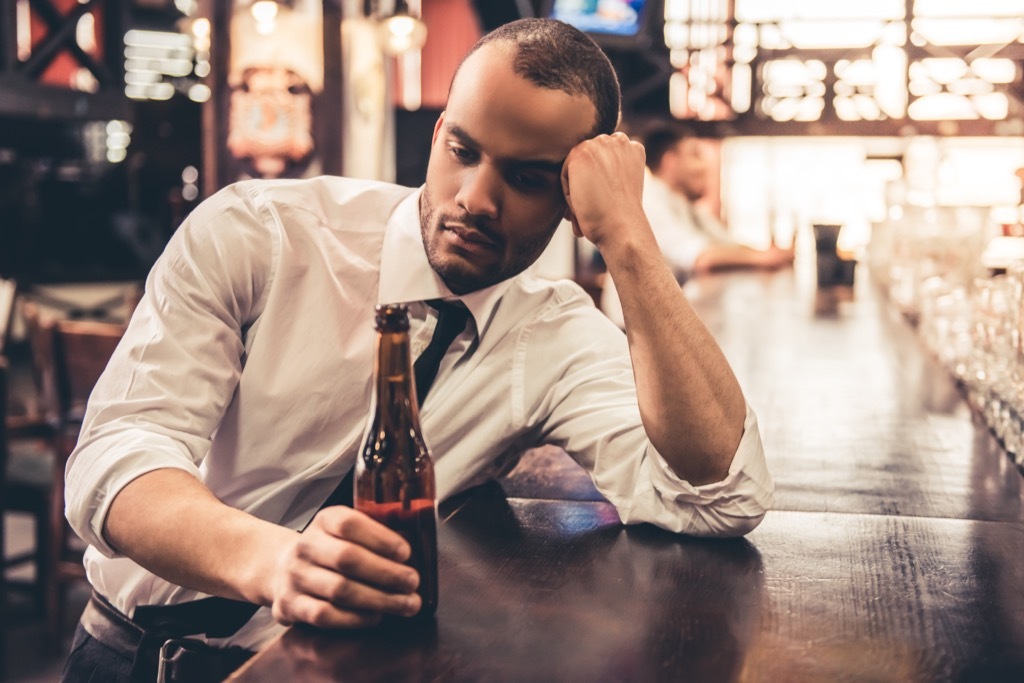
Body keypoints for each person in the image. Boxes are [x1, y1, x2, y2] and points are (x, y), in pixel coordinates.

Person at [62, 18, 773, 682]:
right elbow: (115, 455)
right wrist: (276, 560)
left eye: (526, 178)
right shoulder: (263, 233)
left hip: (329, 666)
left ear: (570, 194)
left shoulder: (552, 334)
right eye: (462, 151)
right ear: (438, 134)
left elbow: (717, 495)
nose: (476, 199)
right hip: (128, 652)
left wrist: (628, 235)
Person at [600, 122, 794, 326]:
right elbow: (703, 257)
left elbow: (727, 244)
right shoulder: (649, 201)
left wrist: (768, 253)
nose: (705, 166)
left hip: (660, 321)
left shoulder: (683, 205)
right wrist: (764, 258)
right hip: (632, 331)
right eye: (695, 155)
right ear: (670, 161)